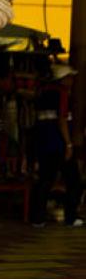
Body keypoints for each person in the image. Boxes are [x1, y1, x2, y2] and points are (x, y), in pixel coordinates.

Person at [31, 63, 83, 227]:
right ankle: (71, 217)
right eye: (70, 77)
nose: (72, 80)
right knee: (74, 181)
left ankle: (38, 218)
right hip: (58, 144)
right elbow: (62, 120)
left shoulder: (43, 92)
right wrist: (68, 144)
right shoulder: (62, 94)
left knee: (45, 180)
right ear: (63, 79)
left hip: (44, 143)